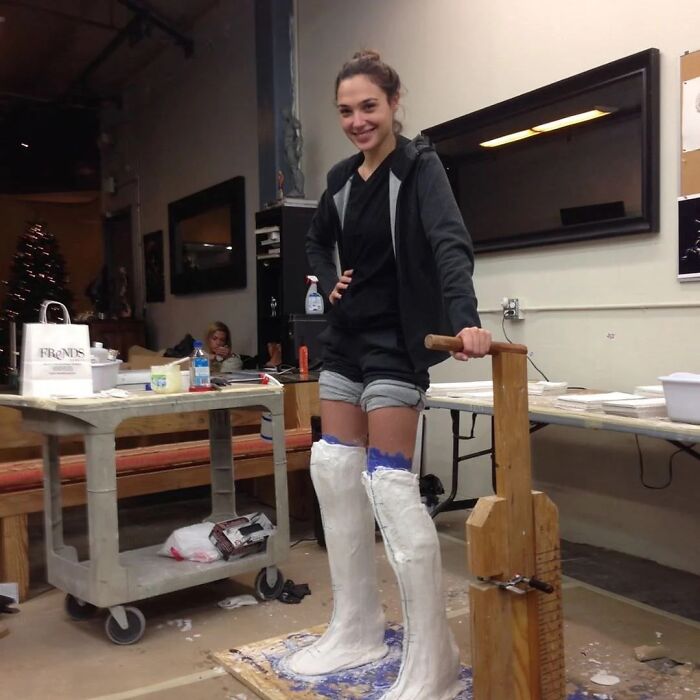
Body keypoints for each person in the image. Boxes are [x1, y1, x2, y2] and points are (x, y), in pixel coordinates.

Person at [283, 51, 492, 700]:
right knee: (333, 469)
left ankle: (435, 657)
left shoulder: (419, 167)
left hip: (398, 343)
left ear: (394, 102)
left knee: (391, 488)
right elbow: (315, 239)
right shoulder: (341, 179)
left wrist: (465, 319)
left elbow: (450, 243)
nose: (357, 121)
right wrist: (328, 278)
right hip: (346, 340)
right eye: (346, 111)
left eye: (368, 106)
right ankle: (357, 626)